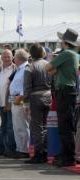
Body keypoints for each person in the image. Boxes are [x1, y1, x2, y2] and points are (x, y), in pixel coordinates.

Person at [46, 28, 79, 167]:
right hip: (67, 92)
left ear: (64, 42)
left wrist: (56, 67)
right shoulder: (71, 54)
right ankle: (66, 154)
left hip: (64, 92)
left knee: (65, 126)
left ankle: (68, 157)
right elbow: (52, 70)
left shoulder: (66, 54)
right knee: (66, 125)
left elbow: (48, 67)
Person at [23, 44, 53, 164]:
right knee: (44, 126)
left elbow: (27, 87)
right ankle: (44, 152)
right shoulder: (48, 65)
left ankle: (38, 154)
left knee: (36, 127)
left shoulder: (30, 67)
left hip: (36, 97)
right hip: (48, 95)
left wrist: (25, 103)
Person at [0, 49, 16, 156]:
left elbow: (13, 88)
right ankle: (0, 148)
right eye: (4, 57)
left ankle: (9, 149)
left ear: (12, 57)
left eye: (8, 57)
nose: (6, 59)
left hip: (9, 103)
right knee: (0, 127)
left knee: (10, 126)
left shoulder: (15, 68)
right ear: (1, 58)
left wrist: (9, 103)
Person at [8, 49, 30, 158]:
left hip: (20, 99)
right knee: (17, 126)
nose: (13, 59)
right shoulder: (20, 69)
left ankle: (24, 150)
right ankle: (20, 148)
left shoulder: (26, 68)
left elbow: (27, 85)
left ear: (19, 58)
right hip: (15, 99)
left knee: (22, 125)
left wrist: (20, 96)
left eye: (15, 57)